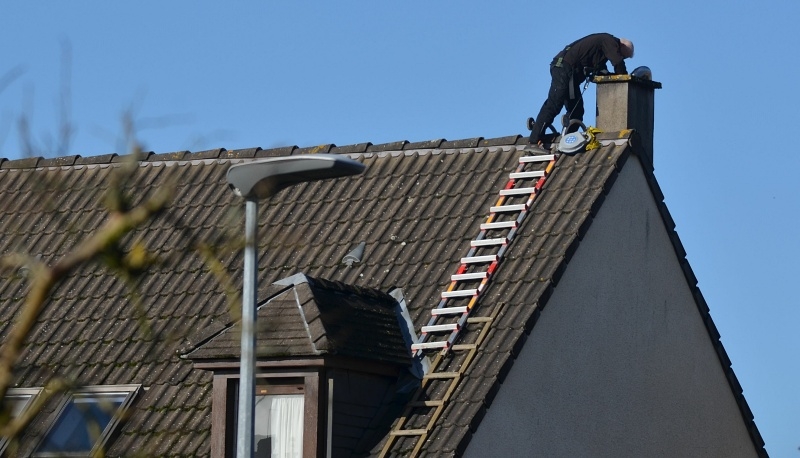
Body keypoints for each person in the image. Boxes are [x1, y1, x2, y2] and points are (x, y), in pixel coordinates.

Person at [528, 33, 634, 145]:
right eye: (623, 56)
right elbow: (618, 63)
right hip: (563, 67)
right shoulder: (610, 41)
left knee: (577, 111)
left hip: (569, 74)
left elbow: (601, 70)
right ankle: (534, 140)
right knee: (554, 103)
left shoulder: (603, 49)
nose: (622, 58)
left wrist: (608, 75)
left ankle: (566, 141)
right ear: (621, 46)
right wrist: (624, 78)